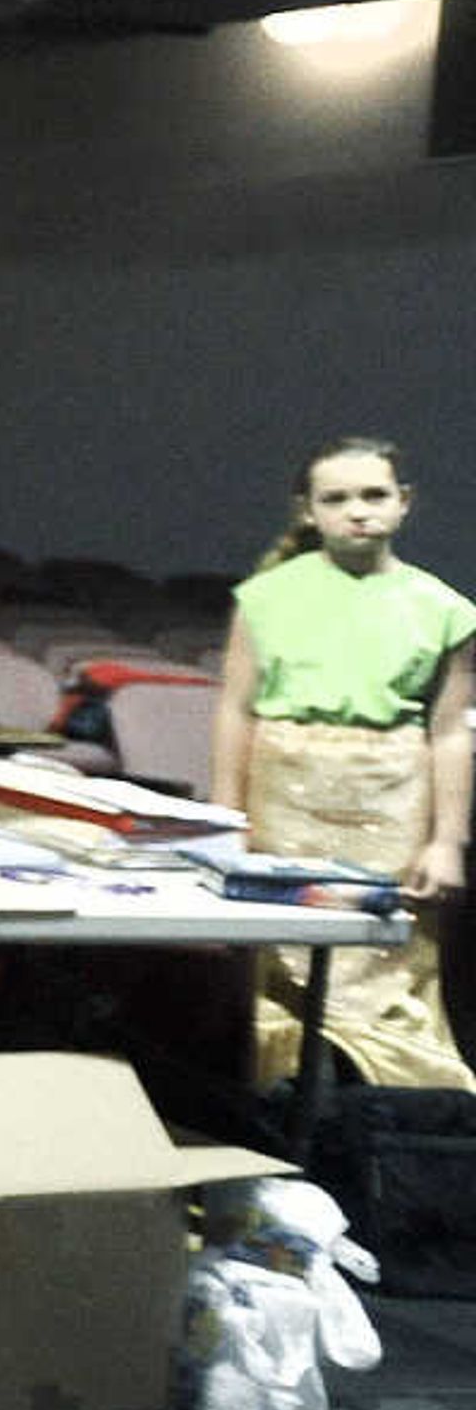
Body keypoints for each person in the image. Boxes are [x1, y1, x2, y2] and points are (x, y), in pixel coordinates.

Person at [209, 437, 476, 1091]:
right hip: (283, 795)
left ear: (403, 502)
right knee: (277, 965)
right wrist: (222, 812)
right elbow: (236, 709)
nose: (358, 511)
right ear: (308, 510)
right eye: (337, 498)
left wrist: (447, 841)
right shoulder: (265, 597)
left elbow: (449, 732)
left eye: (374, 495)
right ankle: (279, 1113)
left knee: (386, 964)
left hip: (390, 801)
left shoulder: (444, 608)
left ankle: (390, 1130)